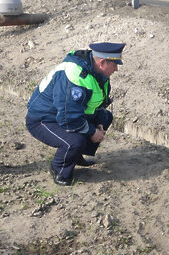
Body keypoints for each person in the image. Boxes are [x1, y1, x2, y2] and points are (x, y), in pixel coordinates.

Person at [25, 42, 126, 186]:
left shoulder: (98, 72)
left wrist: (98, 124)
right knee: (74, 141)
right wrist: (92, 132)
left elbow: (95, 104)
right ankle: (59, 168)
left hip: (64, 116)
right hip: (43, 120)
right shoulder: (74, 76)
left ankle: (75, 156)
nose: (116, 69)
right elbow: (68, 117)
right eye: (115, 65)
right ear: (102, 62)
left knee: (105, 117)